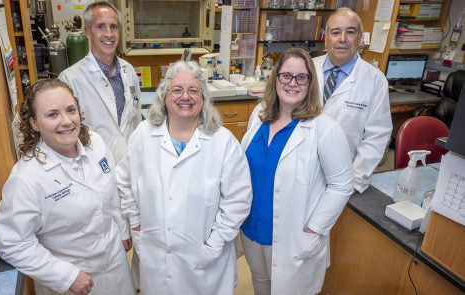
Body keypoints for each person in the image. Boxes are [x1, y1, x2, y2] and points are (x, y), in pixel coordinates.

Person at [116, 60, 252, 294]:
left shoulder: (223, 141)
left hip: (205, 260)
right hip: (155, 254)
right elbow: (124, 182)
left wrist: (213, 244)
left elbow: (238, 201)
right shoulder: (143, 135)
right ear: (164, 95)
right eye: (177, 89)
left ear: (204, 97)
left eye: (193, 90)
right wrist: (136, 226)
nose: (185, 97)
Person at [0, 79, 135, 295]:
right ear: (34, 123)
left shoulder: (95, 144)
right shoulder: (27, 178)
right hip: (73, 281)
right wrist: (65, 276)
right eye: (52, 114)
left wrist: (123, 228)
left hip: (115, 266)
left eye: (71, 110)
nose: (67, 121)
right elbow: (12, 243)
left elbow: (112, 192)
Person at [241, 48, 354, 295]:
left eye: (301, 77)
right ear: (276, 78)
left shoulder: (325, 128)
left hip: (293, 236)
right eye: (286, 76)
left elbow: (342, 184)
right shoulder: (259, 116)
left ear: (310, 83)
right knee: (260, 283)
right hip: (251, 229)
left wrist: (314, 230)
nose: (293, 83)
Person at [58, 1, 141, 285]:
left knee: (140, 241)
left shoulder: (129, 71)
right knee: (110, 251)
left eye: (114, 27)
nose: (109, 33)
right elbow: (68, 137)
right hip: (98, 177)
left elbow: (134, 123)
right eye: (101, 27)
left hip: (132, 172)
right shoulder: (70, 79)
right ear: (88, 31)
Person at [313, 7, 392, 194]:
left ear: (359, 39)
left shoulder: (375, 80)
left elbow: (377, 136)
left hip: (341, 177)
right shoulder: (307, 69)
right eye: (335, 32)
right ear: (326, 38)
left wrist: (356, 180)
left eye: (350, 32)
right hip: (299, 169)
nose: (342, 39)